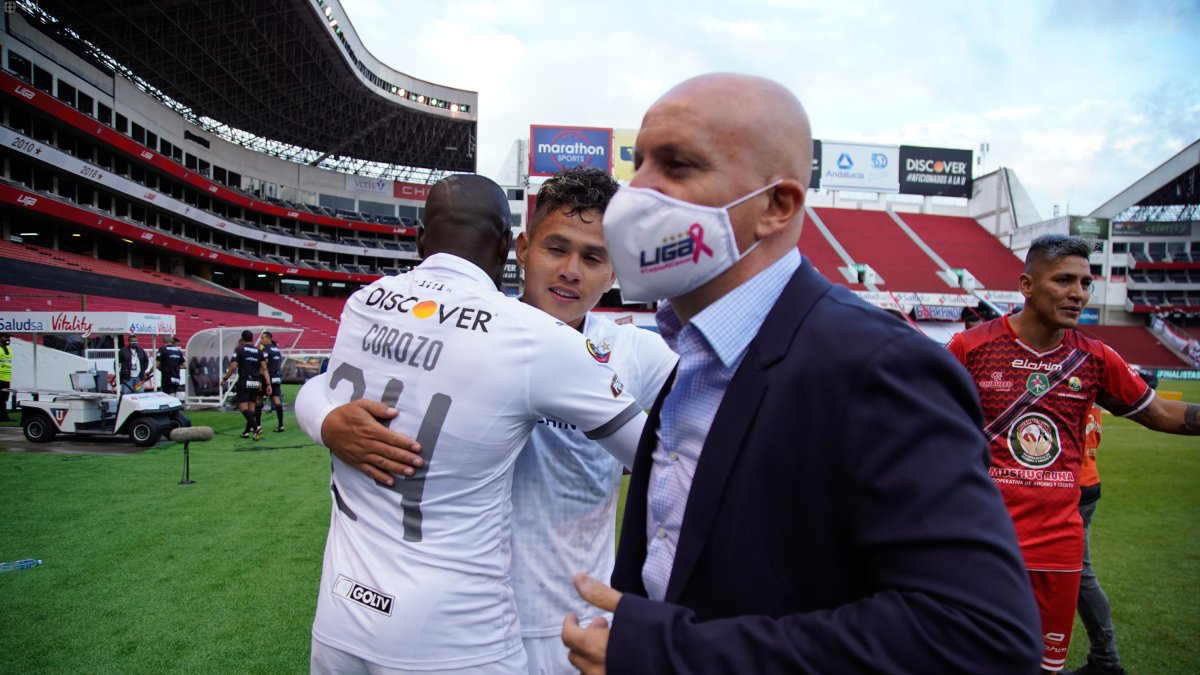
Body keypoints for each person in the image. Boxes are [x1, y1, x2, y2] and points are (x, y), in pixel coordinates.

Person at [563, 73, 1042, 673]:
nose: (637, 192)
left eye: (678, 166)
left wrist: (672, 654)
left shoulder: (880, 366)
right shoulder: (691, 348)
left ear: (776, 206)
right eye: (641, 164)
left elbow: (978, 636)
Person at [299, 167, 677, 674]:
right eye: (555, 248)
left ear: (614, 273)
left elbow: (710, 426)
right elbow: (327, 384)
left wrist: (663, 447)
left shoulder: (637, 353)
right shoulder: (473, 327)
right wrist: (326, 419)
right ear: (519, 248)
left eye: (593, 258)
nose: (570, 270)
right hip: (469, 628)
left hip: (572, 625)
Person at [948, 233, 1200, 673]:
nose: (1078, 293)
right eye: (1064, 280)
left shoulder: (1096, 358)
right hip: (983, 541)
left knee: (1044, 668)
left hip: (1058, 546)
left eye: (1085, 283)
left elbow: (1160, 413)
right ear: (1027, 285)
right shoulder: (970, 348)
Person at [1065, 405, 1124, 675]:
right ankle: (1105, 658)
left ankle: (1106, 658)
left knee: (1076, 575)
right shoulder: (1086, 369)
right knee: (1079, 575)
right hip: (1085, 481)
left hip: (1066, 486)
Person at [220, 330, 271, 439]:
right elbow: (264, 368)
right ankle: (247, 432)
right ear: (252, 338)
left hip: (244, 381)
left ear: (242, 339)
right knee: (251, 408)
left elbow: (233, 366)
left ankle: (256, 427)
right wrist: (268, 384)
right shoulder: (258, 351)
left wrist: (225, 378)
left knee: (243, 408)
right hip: (255, 382)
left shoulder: (240, 349)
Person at [257, 331, 286, 432]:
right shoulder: (276, 350)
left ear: (269, 338)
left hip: (267, 377)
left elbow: (264, 365)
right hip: (276, 377)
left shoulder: (265, 350)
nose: (261, 340)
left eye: (263, 338)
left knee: (258, 399)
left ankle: (258, 425)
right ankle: (281, 425)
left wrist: (260, 379)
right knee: (277, 400)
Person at [0, 332, 11, 421]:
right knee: (1, 399)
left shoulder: (8, 349)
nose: (8, 339)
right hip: (0, 377)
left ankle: (4, 416)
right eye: (6, 337)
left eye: (8, 337)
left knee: (4, 399)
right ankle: (3, 416)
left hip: (6, 378)